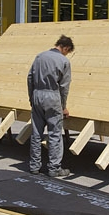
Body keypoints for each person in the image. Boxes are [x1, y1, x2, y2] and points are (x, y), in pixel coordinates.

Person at [27, 35, 74, 177]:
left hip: (37, 94)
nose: (66, 54)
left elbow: (29, 78)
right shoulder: (63, 61)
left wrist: (32, 98)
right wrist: (63, 106)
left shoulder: (39, 57)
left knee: (36, 132)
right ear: (65, 48)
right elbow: (64, 86)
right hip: (52, 96)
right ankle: (54, 168)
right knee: (54, 134)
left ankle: (34, 166)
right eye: (67, 51)